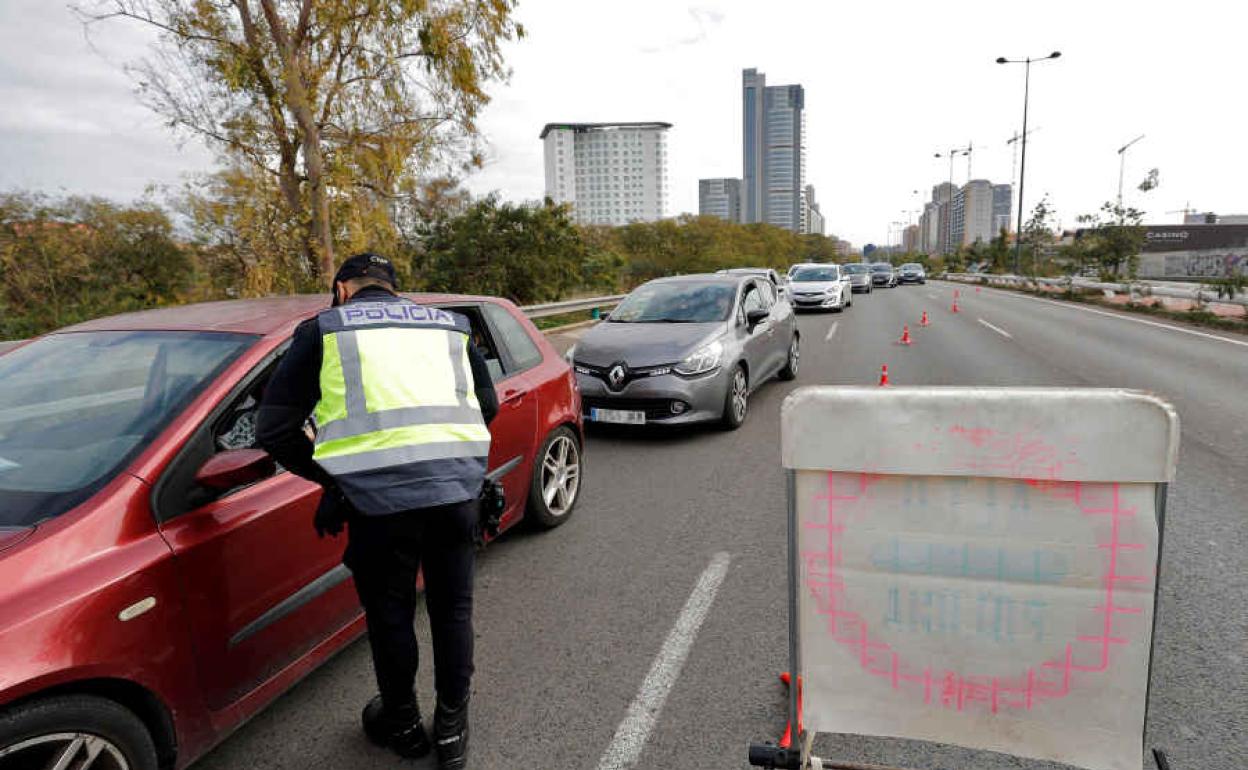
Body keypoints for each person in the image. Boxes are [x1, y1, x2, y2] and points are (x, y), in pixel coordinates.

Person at [257, 253, 498, 768]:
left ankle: (405, 727)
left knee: (391, 615)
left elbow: (274, 432)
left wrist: (340, 480)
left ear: (342, 288)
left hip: (379, 507)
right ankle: (453, 732)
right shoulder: (449, 326)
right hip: (455, 495)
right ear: (393, 289)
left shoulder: (323, 330)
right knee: (453, 610)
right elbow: (488, 407)